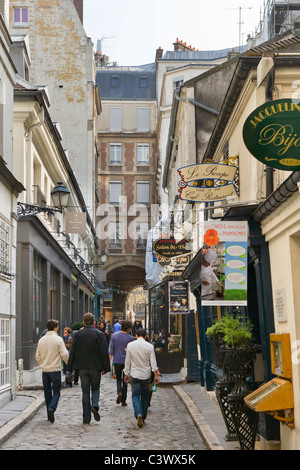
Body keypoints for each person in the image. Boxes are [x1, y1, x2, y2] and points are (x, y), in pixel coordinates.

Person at [67, 313, 110, 424]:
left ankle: (86, 418)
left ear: (84, 322)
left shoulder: (78, 334)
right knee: (95, 388)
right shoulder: (99, 334)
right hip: (96, 367)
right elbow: (103, 351)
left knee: (85, 391)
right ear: (94, 323)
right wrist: (106, 367)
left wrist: (70, 367)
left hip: (82, 368)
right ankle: (95, 405)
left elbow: (73, 351)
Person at [124, 328, 160, 428]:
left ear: (136, 335)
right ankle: (143, 417)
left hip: (134, 374)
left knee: (135, 395)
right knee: (145, 396)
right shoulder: (149, 346)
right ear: (145, 336)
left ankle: (138, 413)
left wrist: (126, 373)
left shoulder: (130, 345)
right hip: (146, 375)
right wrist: (156, 376)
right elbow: (153, 363)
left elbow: (127, 361)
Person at [35, 319, 69, 423]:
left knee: (47, 391)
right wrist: (68, 363)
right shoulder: (58, 339)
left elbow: (37, 355)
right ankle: (52, 408)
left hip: (45, 370)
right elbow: (65, 354)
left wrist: (42, 364)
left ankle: (49, 414)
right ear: (55, 327)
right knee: (57, 391)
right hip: (55, 369)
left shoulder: (42, 340)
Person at [109, 319, 135, 406]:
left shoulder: (114, 336)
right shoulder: (130, 338)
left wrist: (109, 360)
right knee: (125, 380)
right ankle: (123, 401)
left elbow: (111, 349)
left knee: (118, 379)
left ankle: (119, 391)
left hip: (117, 360)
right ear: (128, 328)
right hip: (127, 362)